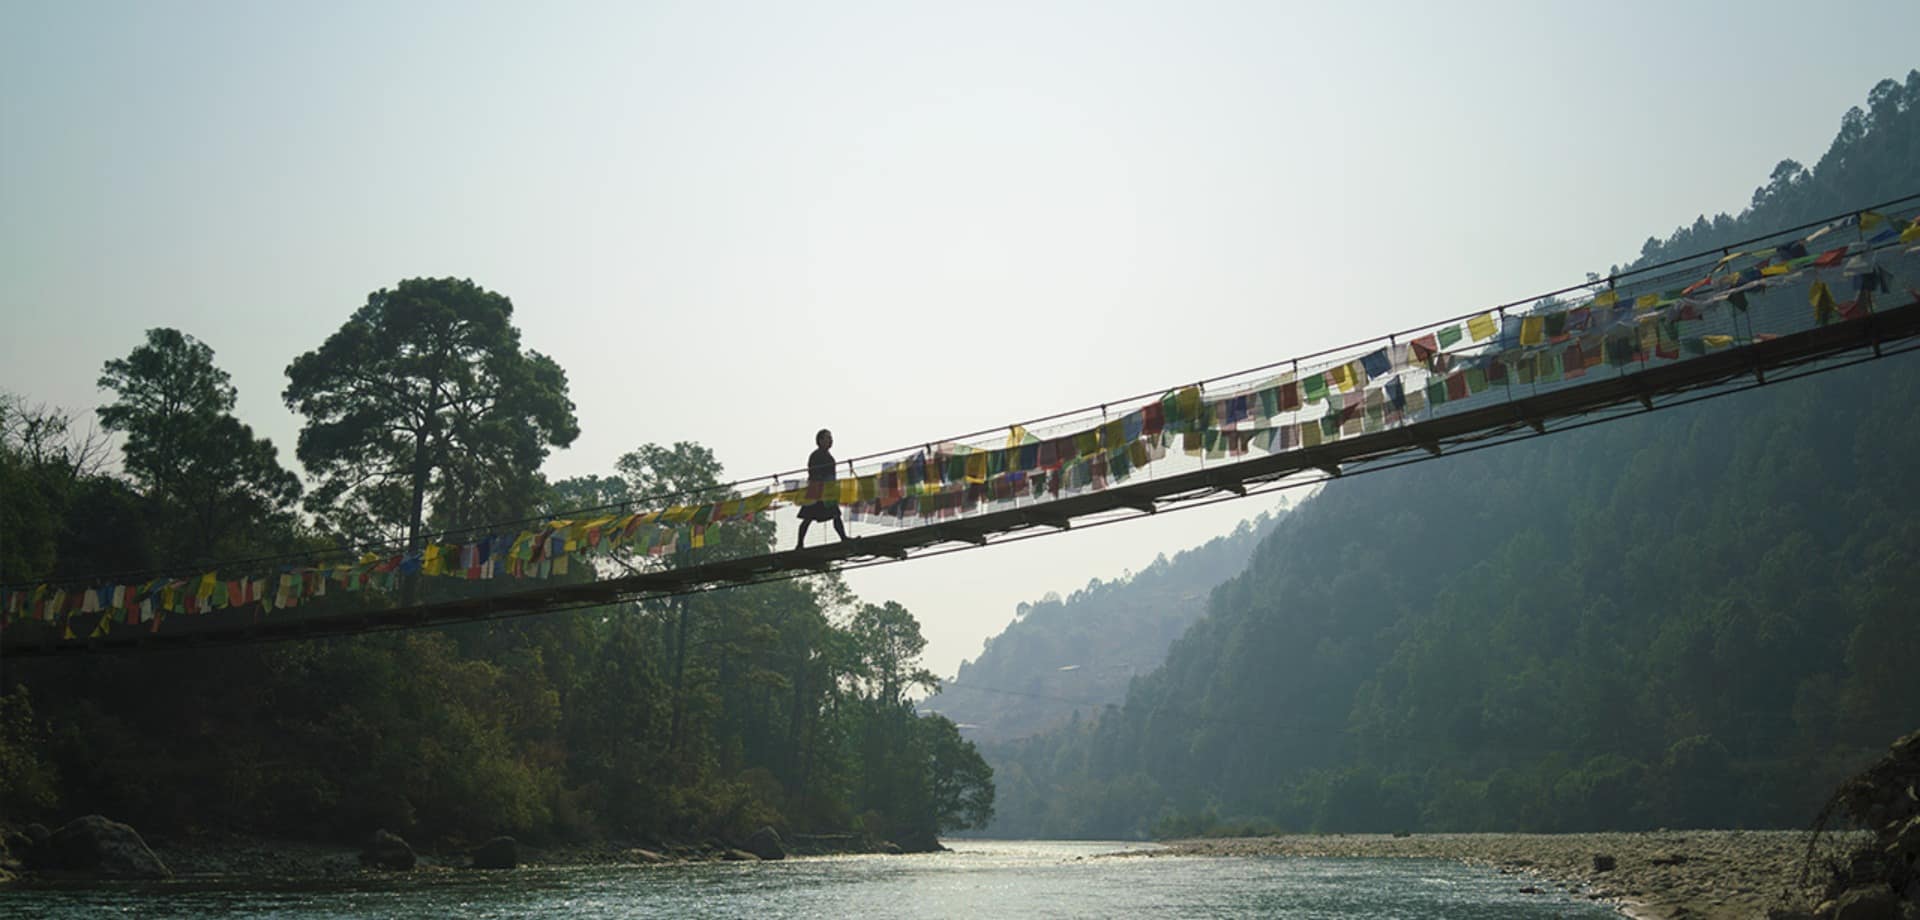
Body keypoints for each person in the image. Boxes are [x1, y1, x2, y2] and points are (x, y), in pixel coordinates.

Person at [796, 428, 850, 548]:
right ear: (820, 440)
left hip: (827, 491)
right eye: (828, 438)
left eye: (831, 438)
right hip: (816, 489)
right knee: (808, 517)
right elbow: (814, 472)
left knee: (835, 514)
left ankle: (843, 538)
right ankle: (799, 544)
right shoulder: (816, 455)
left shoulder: (828, 456)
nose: (831, 440)